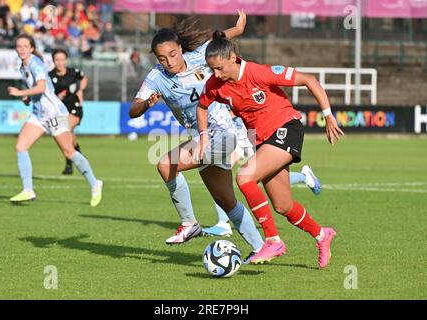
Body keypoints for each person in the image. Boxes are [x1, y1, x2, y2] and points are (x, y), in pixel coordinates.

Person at [130, 11, 320, 256]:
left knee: (167, 164)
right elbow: (134, 109)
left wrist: (238, 27)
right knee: (227, 201)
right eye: (162, 58)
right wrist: (146, 104)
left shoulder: (201, 56)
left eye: (173, 54)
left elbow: (221, 40)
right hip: (203, 137)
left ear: (180, 48)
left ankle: (190, 224)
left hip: (227, 132)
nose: (169, 62)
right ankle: (260, 248)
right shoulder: (157, 77)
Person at [196, 31, 344, 268]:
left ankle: (273, 241)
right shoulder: (216, 84)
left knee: (244, 177)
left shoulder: (259, 73)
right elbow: (202, 106)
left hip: (287, 127)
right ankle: (322, 234)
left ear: (233, 57)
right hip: (262, 141)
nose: (216, 74)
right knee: (283, 205)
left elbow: (309, 80)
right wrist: (203, 135)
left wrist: (328, 116)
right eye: (212, 69)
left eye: (220, 68)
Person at [8, 34, 103, 207]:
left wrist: (20, 93)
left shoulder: (35, 63)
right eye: (19, 46)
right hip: (38, 114)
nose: (21, 49)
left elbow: (42, 87)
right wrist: (28, 99)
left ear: (31, 48)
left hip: (54, 113)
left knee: (69, 152)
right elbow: (38, 91)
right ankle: (28, 189)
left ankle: (95, 183)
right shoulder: (23, 67)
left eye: (25, 46)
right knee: (21, 147)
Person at [49, 48, 88, 175]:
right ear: (53, 61)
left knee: (66, 131)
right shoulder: (50, 76)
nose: (60, 62)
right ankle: (79, 156)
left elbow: (83, 78)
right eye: (57, 60)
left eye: (62, 60)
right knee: (70, 137)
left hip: (75, 108)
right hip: (60, 111)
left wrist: (80, 90)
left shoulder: (73, 72)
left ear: (65, 60)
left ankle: (69, 165)